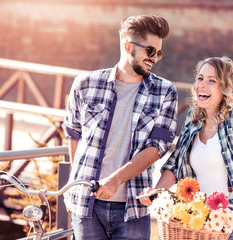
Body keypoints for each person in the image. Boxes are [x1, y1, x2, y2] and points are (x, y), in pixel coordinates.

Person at [62, 15, 178, 240]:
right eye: (150, 51)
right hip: (86, 205)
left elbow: (158, 147)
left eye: (159, 53)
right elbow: (74, 134)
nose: (155, 58)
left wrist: (115, 179)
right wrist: (72, 186)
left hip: (133, 206)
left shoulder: (165, 91)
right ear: (128, 47)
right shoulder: (85, 84)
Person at [139, 57, 233, 239]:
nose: (202, 85)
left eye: (212, 81)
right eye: (200, 78)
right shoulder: (193, 118)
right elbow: (175, 164)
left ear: (224, 88)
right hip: (205, 221)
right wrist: (155, 192)